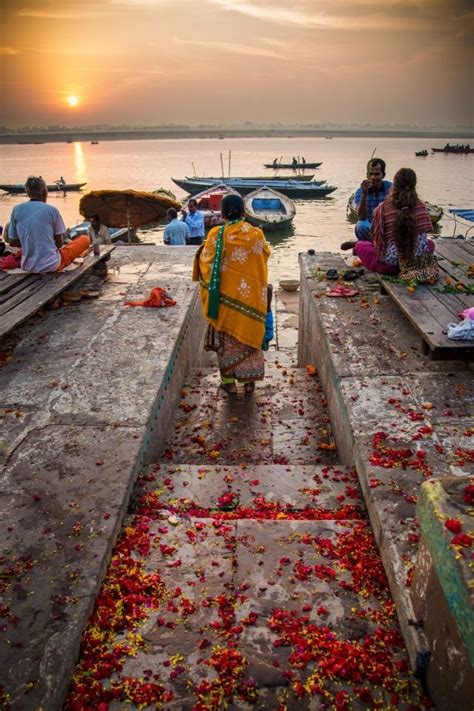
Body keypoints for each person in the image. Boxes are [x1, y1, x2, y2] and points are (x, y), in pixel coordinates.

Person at [193, 193, 270, 394]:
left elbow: (206, 264)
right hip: (251, 299)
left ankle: (228, 383)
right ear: (244, 212)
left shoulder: (216, 235)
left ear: (222, 214)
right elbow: (263, 256)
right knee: (249, 339)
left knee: (226, 343)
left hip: (224, 303)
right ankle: (249, 382)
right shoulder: (256, 234)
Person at [343, 168, 438, 283]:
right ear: (414, 185)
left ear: (394, 185)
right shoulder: (421, 206)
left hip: (391, 267)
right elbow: (423, 236)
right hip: (417, 264)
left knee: (361, 246)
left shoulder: (383, 208)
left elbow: (378, 242)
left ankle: (356, 244)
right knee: (430, 243)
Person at [7, 176, 90, 272]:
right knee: (85, 239)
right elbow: (59, 244)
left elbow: (12, 242)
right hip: (52, 264)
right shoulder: (51, 210)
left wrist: (31, 244)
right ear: (44, 193)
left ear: (28, 193)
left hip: (27, 265)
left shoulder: (16, 209)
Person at [352, 158, 392, 241]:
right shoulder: (360, 192)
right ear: (367, 175)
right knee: (360, 226)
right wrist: (364, 194)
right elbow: (361, 217)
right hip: (371, 229)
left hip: (389, 228)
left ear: (383, 175)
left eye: (377, 174)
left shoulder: (392, 189)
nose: (373, 177)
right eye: (371, 174)